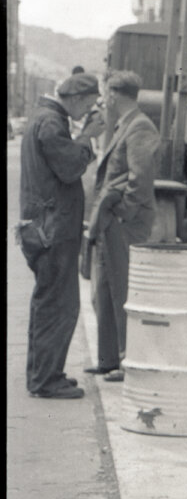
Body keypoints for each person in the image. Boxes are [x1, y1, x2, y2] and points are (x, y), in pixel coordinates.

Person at [20, 73, 101, 399]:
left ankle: (44, 374)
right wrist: (87, 138)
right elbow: (69, 168)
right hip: (53, 229)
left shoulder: (44, 118)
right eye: (90, 104)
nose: (90, 111)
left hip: (42, 228)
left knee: (48, 303)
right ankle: (45, 381)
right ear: (80, 99)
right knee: (59, 305)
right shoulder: (53, 124)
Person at [85, 71, 161, 383]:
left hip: (122, 221)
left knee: (122, 290)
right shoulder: (127, 124)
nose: (105, 99)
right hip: (111, 220)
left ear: (115, 94)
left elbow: (140, 179)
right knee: (104, 289)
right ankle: (108, 360)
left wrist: (124, 214)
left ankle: (126, 360)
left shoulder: (140, 125)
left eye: (106, 93)